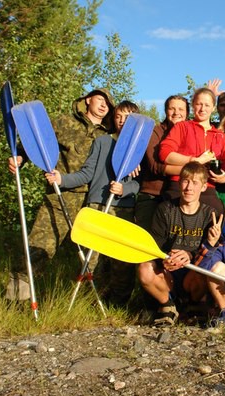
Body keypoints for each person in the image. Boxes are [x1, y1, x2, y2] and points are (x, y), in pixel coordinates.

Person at [6, 88, 115, 300]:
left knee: (91, 258)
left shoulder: (106, 136)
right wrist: (20, 157)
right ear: (88, 99)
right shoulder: (64, 122)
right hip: (59, 197)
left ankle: (87, 301)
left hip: (91, 201)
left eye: (108, 104)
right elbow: (37, 142)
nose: (104, 106)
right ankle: (16, 298)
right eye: (100, 100)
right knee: (40, 247)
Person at [46, 100, 140, 306]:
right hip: (97, 205)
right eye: (119, 116)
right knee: (91, 259)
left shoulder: (139, 148)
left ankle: (118, 304)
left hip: (122, 209)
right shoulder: (102, 142)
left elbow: (140, 183)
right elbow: (87, 173)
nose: (123, 121)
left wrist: (125, 189)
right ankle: (88, 302)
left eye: (128, 117)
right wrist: (62, 179)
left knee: (121, 260)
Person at [137, 162, 222, 326]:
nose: (189, 187)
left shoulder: (210, 215)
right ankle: (167, 306)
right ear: (179, 183)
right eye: (185, 181)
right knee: (144, 268)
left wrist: (196, 251)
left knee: (210, 266)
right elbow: (155, 247)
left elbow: (214, 257)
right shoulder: (165, 210)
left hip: (194, 275)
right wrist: (165, 259)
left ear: (203, 187)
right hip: (169, 273)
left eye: (195, 183)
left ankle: (195, 307)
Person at [158, 87, 225, 217]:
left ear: (213, 108)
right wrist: (193, 161)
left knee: (216, 215)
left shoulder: (221, 136)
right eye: (199, 104)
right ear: (193, 106)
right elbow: (165, 154)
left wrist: (223, 177)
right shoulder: (182, 127)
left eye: (207, 105)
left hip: (207, 187)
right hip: (180, 184)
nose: (202, 109)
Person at [135, 95, 189, 231]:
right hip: (153, 196)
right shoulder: (155, 132)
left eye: (181, 109)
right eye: (172, 109)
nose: (177, 113)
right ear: (166, 111)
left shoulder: (190, 132)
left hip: (179, 196)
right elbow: (155, 166)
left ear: (187, 113)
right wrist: (190, 168)